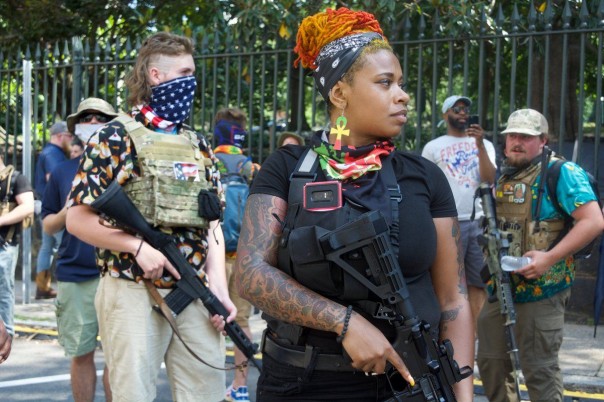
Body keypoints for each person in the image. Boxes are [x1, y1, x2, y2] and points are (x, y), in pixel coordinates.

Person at [234, 7, 474, 402]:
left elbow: (454, 301)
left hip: (414, 384)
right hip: (302, 384)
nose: (403, 95)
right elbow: (250, 274)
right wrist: (344, 323)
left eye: (401, 83)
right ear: (339, 93)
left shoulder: (424, 177)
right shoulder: (288, 168)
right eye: (385, 82)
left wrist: (463, 396)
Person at [65, 32, 235, 402]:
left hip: (195, 289)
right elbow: (76, 219)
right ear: (156, 75)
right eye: (184, 73)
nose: (191, 82)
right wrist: (137, 247)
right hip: (132, 288)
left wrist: (219, 289)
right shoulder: (113, 137)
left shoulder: (198, 144)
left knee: (205, 394)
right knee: (133, 394)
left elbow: (213, 226)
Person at [476, 108, 604, 402]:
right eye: (512, 136)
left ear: (543, 140)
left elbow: (594, 221)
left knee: (539, 370)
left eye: (526, 137)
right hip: (501, 286)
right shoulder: (507, 172)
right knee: (492, 363)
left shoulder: (562, 173)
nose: (516, 142)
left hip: (543, 289)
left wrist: (549, 258)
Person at [42, 97, 118, 402]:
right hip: (76, 275)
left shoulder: (125, 167)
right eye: (87, 118)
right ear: (76, 128)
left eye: (101, 118)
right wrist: (69, 209)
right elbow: (48, 225)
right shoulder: (62, 172)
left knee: (117, 357)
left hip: (119, 273)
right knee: (81, 353)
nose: (94, 123)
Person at [421, 95, 496, 331]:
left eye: (466, 109)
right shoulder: (433, 147)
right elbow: (426, 185)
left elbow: (490, 178)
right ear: (445, 115)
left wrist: (479, 144)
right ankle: (450, 334)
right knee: (448, 283)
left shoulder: (485, 144)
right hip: (446, 223)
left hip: (478, 222)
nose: (462, 113)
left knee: (478, 282)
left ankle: (474, 337)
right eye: (457, 109)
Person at [213, 107, 255, 402]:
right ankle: (240, 386)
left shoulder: (206, 161)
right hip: (242, 257)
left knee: (211, 323)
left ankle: (212, 386)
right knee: (241, 321)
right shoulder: (250, 168)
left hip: (213, 258)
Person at [34, 121, 72, 299]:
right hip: (55, 210)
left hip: (47, 207)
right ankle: (67, 287)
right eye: (69, 136)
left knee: (47, 248)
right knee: (67, 245)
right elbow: (54, 179)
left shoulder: (49, 152)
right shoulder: (53, 154)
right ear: (60, 136)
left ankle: (42, 287)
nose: (71, 139)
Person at [0, 153, 35, 343]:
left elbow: (28, 206)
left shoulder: (16, 179)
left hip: (4, 245)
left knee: (3, 290)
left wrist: (1, 220)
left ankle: (6, 337)